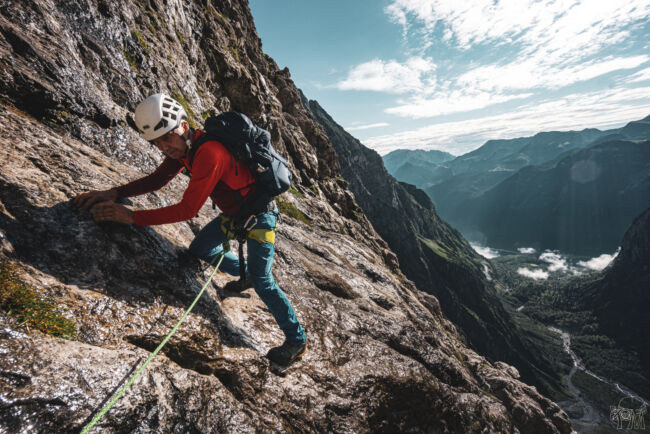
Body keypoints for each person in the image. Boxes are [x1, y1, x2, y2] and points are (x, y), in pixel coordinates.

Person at [74, 93, 307, 365]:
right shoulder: (186, 149)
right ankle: (246, 274)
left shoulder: (208, 153)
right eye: (157, 142)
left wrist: (132, 217)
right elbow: (158, 179)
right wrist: (115, 192)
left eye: (167, 137)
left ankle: (296, 340)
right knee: (200, 250)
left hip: (260, 217)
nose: (164, 147)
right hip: (236, 214)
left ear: (183, 126)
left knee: (264, 282)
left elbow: (187, 210)